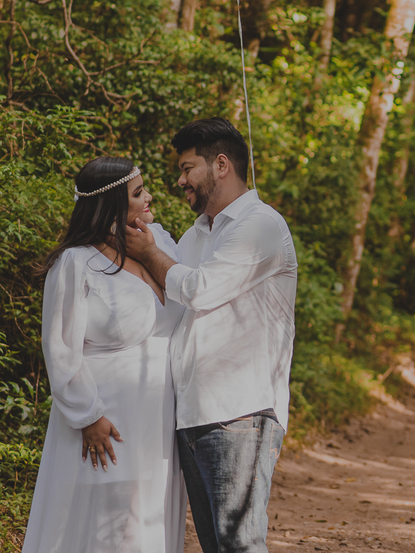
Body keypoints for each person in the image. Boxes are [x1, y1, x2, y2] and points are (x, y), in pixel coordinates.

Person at [126, 118, 297, 553]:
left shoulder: (260, 225)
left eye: (188, 168)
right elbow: (170, 296)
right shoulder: (197, 232)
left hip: (240, 411)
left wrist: (148, 251)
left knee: (239, 544)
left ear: (221, 165)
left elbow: (199, 289)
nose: (180, 180)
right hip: (193, 412)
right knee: (215, 545)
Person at [21, 157, 187, 553]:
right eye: (137, 193)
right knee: (104, 523)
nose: (149, 197)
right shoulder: (76, 263)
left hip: (160, 416)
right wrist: (88, 415)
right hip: (105, 417)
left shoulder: (160, 240)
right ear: (111, 204)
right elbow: (60, 347)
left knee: (149, 517)